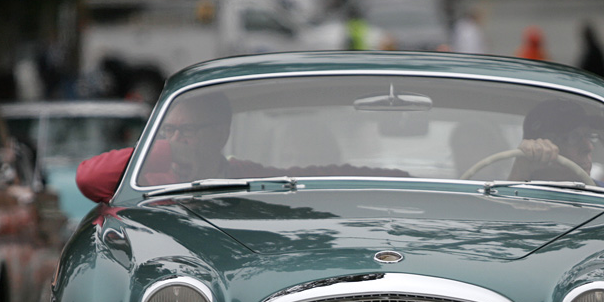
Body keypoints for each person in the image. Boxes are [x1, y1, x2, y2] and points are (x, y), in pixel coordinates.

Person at [77, 90, 406, 203]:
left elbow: (323, 175)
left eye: (187, 130)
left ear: (220, 133)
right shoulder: (147, 184)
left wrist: (401, 177)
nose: (177, 140)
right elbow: (88, 179)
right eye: (168, 131)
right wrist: (166, 150)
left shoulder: (246, 178)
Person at [508, 98, 598, 183]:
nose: (589, 147)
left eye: (589, 136)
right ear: (542, 147)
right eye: (574, 137)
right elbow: (504, 199)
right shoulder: (520, 194)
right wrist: (520, 171)